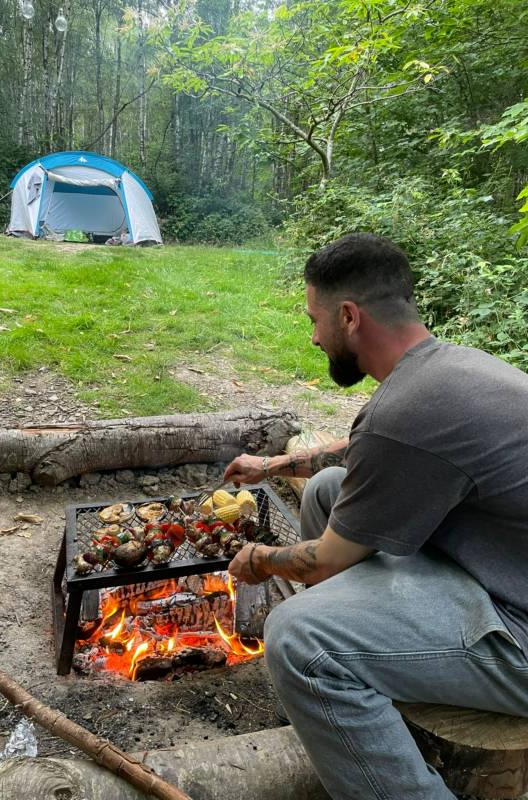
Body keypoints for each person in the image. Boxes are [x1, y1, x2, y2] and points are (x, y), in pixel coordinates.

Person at [225, 232, 528, 800]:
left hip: (517, 629)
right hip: (503, 568)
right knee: (326, 490)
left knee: (297, 638)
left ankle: (335, 679)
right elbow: (372, 449)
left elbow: (321, 562)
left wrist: (259, 559)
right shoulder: (451, 368)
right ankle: (358, 689)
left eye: (315, 321)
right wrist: (275, 464)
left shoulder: (405, 408)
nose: (314, 337)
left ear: (348, 316)